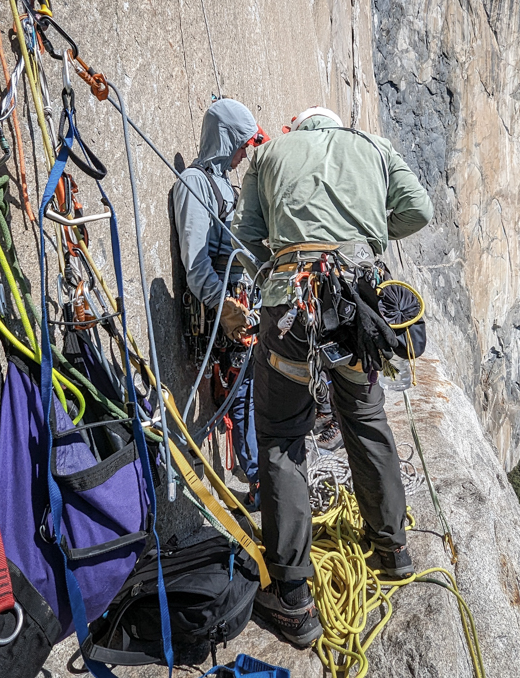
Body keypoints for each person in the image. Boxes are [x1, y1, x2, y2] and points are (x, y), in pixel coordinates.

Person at [233, 106, 433, 647]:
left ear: (299, 127)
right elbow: (420, 210)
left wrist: (275, 268)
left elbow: (244, 234)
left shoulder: (270, 154)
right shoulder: (373, 147)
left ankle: (293, 598)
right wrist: (367, 236)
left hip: (291, 302)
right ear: (336, 125)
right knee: (366, 418)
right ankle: (392, 550)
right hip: (357, 304)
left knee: (281, 435)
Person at [170, 98, 269, 507]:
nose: (245, 153)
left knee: (250, 384)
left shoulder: (222, 186)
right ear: (226, 138)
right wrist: (225, 308)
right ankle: (257, 476)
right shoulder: (194, 185)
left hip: (237, 300)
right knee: (241, 389)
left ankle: (260, 473)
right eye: (242, 144)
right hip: (217, 310)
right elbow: (196, 264)